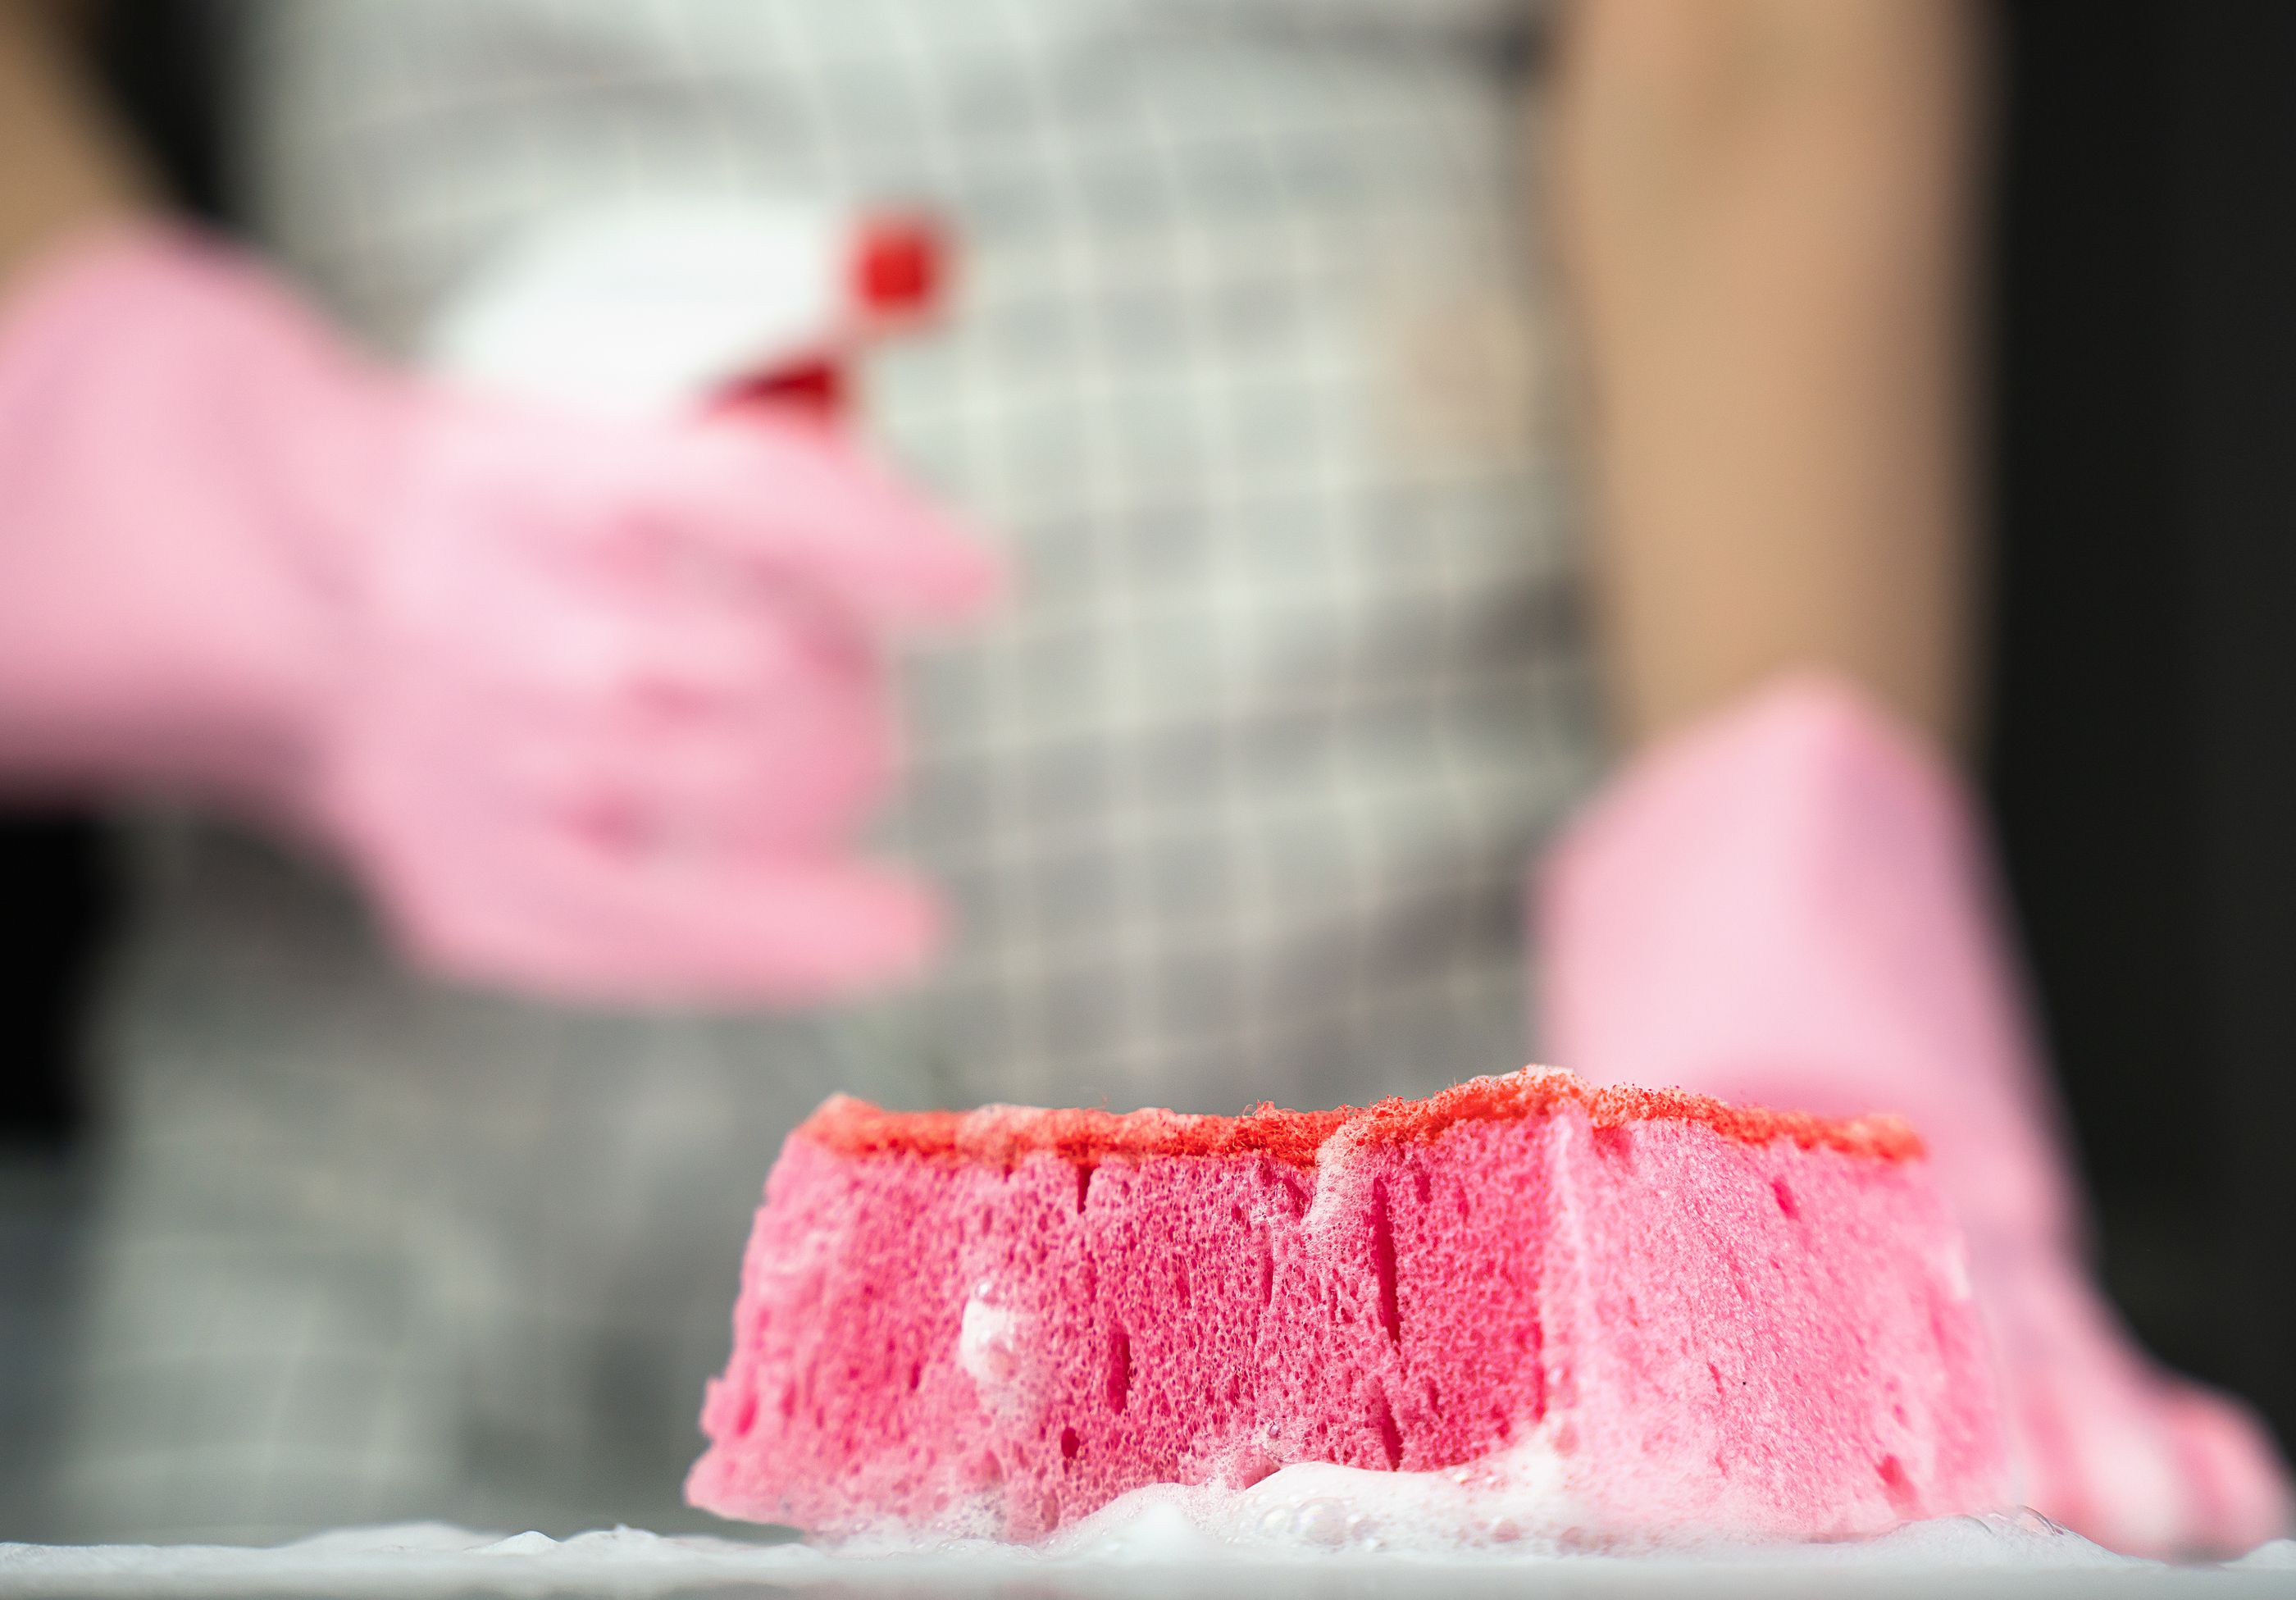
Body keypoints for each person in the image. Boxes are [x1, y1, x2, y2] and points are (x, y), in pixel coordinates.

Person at [0, 0, 2284, 1557]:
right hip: (367, 1224)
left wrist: (1788, 1005)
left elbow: (1757, 55)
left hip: (1438, 1170)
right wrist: (162, 475)